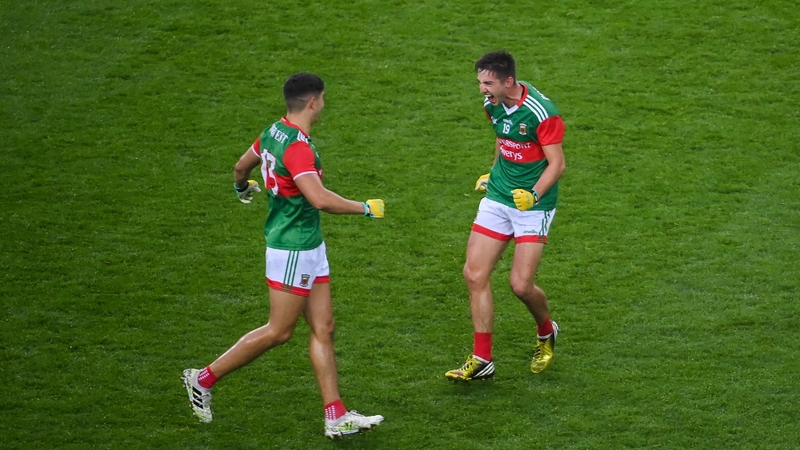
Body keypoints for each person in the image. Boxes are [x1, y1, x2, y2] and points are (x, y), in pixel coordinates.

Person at [182, 72, 385, 438]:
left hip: (308, 245)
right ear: (313, 102)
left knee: (324, 328)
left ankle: (335, 415)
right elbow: (319, 198)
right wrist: (365, 208)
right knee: (279, 331)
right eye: (322, 99)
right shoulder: (298, 148)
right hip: (294, 248)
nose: (323, 104)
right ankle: (202, 379)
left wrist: (241, 187)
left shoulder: (274, 131)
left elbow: (241, 166)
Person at [445, 51, 566, 381]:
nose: (482, 90)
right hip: (498, 198)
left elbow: (557, 164)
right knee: (474, 274)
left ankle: (546, 330)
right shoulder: (492, 105)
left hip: (534, 206)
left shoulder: (542, 113)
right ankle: (482, 359)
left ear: (508, 81)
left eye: (488, 83)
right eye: (480, 82)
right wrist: (493, 171)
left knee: (520, 285)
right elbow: (503, 139)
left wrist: (534, 195)